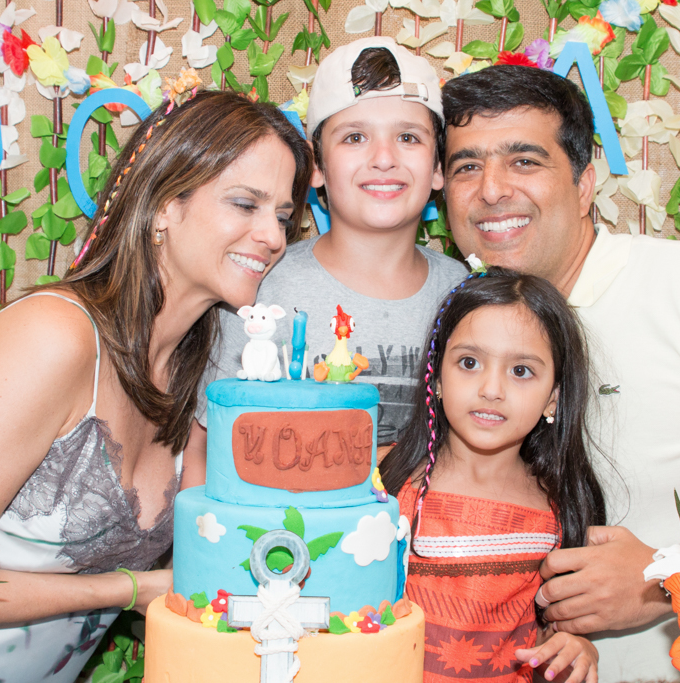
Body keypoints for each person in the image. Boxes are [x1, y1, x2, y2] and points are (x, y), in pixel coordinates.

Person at [0, 90, 313, 683]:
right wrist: (129, 588)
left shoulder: (197, 366)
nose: (272, 238)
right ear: (166, 204)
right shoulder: (56, 338)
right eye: (245, 204)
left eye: (281, 216)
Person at [440, 64, 680, 681]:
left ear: (586, 184)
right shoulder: (469, 336)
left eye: (524, 161)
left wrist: (667, 581)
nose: (490, 189)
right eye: (465, 166)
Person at [183, 37, 468, 482]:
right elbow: (204, 448)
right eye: (355, 137)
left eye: (408, 137)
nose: (384, 159)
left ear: (437, 168)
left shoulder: (464, 293)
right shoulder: (260, 284)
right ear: (316, 165)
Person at [381, 267, 605, 683]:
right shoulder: (387, 486)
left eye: (521, 371)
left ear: (553, 396)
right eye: (469, 362)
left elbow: (552, 629)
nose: (491, 388)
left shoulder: (560, 508)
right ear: (437, 378)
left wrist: (576, 646)